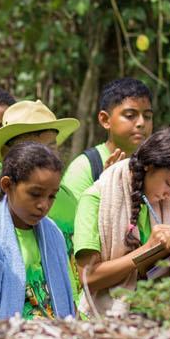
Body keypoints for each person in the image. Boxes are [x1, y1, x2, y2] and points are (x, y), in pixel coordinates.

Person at [73, 127, 170, 314]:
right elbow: (88, 277)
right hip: (102, 323)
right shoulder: (96, 198)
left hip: (157, 321)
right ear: (151, 165)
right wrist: (148, 250)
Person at [0, 143, 79, 321]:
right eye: (35, 194)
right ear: (7, 185)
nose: (43, 205)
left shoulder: (54, 236)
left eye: (52, 196)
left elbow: (69, 301)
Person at [58, 78, 155, 250]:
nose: (141, 123)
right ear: (105, 120)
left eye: (147, 116)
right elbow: (70, 230)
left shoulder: (156, 167)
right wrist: (106, 190)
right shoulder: (85, 167)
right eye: (130, 115)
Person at [0, 100, 79, 245]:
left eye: (51, 146)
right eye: (34, 149)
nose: (46, 156)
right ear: (6, 153)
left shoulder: (66, 196)